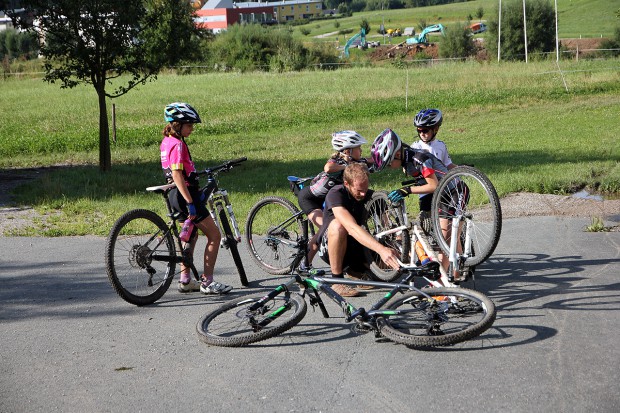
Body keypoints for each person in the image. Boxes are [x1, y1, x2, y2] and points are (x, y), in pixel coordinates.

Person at [371, 128, 465, 280]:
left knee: (446, 239)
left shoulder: (418, 159)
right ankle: (457, 277)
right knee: (447, 237)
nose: (389, 167)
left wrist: (407, 190)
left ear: (397, 154)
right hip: (439, 195)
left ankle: (441, 282)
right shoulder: (406, 160)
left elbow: (433, 185)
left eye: (389, 164)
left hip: (454, 191)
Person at [160, 102, 233, 295]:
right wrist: (191, 202)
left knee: (190, 236)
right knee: (215, 235)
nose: (192, 128)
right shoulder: (177, 144)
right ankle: (207, 282)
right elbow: (177, 175)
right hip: (185, 195)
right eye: (189, 125)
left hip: (175, 195)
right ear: (178, 124)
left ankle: (185, 280)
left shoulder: (167, 141)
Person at [316, 162, 400, 297]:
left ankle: (357, 271)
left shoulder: (370, 196)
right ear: (346, 184)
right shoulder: (336, 194)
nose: (363, 193)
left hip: (358, 247)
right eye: (359, 190)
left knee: (400, 261)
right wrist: (381, 250)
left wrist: (398, 242)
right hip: (331, 246)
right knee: (339, 226)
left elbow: (389, 225)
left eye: (365, 189)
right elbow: (351, 228)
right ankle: (336, 280)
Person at [296, 130, 373, 275]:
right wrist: (346, 167)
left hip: (327, 201)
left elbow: (372, 161)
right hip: (311, 199)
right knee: (324, 228)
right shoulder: (337, 162)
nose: (361, 150)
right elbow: (328, 168)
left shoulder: (356, 162)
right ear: (348, 151)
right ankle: (304, 265)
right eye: (358, 148)